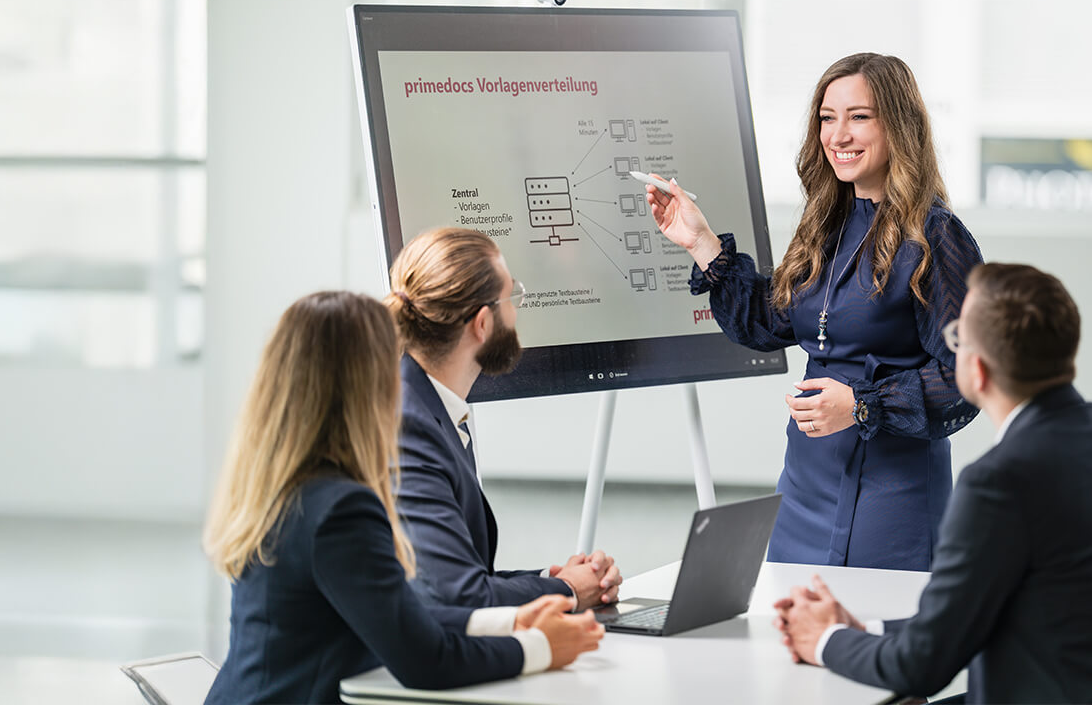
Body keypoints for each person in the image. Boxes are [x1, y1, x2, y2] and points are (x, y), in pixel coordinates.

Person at [646, 52, 983, 571]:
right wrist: (700, 242)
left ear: (899, 124)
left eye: (859, 117)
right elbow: (773, 321)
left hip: (891, 498)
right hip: (805, 486)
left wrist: (862, 404)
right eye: (828, 118)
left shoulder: (936, 235)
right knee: (792, 637)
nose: (838, 135)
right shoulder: (827, 222)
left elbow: (968, 377)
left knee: (869, 643)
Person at [202, 291, 604, 705]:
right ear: (366, 383)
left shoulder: (286, 487)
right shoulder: (341, 510)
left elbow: (396, 614)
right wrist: (539, 648)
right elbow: (425, 660)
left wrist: (509, 620)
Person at [773, 263, 1092, 703]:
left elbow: (922, 666)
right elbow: (986, 612)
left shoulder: (998, 483)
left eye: (956, 338)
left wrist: (825, 640)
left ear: (976, 371)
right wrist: (863, 630)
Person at [383, 227, 622, 609]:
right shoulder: (406, 427)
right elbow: (456, 595)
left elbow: (461, 574)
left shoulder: (427, 407)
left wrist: (555, 580)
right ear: (482, 324)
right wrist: (570, 592)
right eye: (513, 295)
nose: (517, 309)